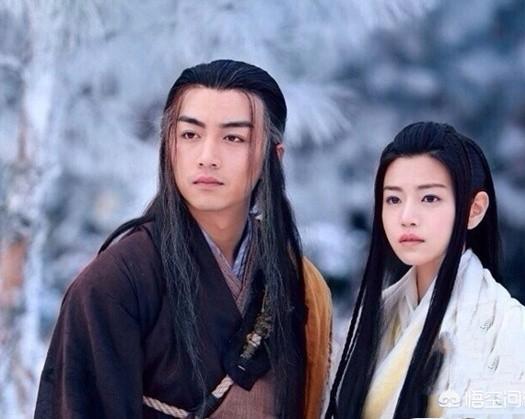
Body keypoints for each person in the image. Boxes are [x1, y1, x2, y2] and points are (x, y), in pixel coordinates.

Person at [34, 59, 332, 419]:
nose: (207, 157)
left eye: (233, 138)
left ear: (274, 156)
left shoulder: (299, 282)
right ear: (168, 146)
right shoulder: (115, 282)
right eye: (190, 135)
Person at [326, 121, 525, 418]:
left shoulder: (509, 329)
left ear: (474, 209)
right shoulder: (370, 319)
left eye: (429, 198)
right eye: (393, 199)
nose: (406, 217)